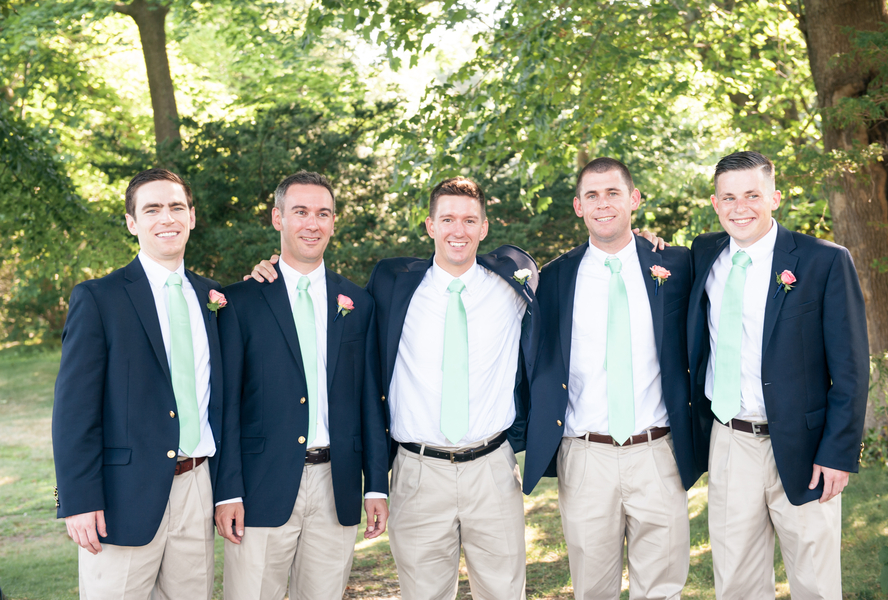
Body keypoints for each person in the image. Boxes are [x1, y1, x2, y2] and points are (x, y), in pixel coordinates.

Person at [251, 176, 540, 599]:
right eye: (447, 219)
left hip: (492, 467)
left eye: (469, 220)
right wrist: (273, 276)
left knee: (504, 592)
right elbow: (322, 301)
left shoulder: (514, 282)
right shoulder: (392, 283)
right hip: (418, 471)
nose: (458, 230)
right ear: (430, 225)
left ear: (484, 228)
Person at [688, 151, 869, 598]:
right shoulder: (703, 253)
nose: (740, 207)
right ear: (715, 203)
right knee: (737, 583)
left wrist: (838, 452)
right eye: (729, 197)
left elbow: (851, 368)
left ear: (775, 198)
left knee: (815, 584)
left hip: (806, 448)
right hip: (730, 441)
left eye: (752, 195)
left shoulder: (824, 261)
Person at [523, 157, 701, 599]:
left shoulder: (677, 265)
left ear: (634, 199)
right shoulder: (554, 277)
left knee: (662, 589)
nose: (602, 203)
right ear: (578, 206)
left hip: (657, 452)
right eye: (592, 195)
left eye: (613, 193)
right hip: (586, 456)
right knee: (593, 589)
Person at [214, 171, 389, 600]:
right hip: (260, 486)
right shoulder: (241, 301)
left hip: (336, 484)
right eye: (301, 212)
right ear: (278, 218)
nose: (313, 223)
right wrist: (227, 490)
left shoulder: (359, 303)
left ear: (333, 222)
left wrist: (376, 484)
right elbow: (226, 405)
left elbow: (370, 400)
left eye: (323, 214)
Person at [52, 168, 224, 599]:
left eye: (176, 207)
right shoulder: (99, 298)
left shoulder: (215, 298)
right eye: (152, 209)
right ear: (132, 223)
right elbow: (74, 411)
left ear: (192, 216)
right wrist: (78, 499)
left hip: (197, 486)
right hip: (121, 498)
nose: (167, 218)